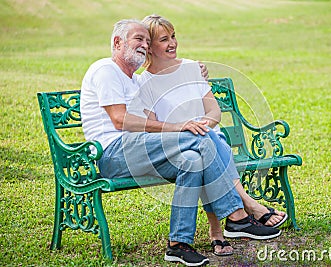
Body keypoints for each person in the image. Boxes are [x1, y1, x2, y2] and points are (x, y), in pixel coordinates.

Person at [80, 19, 281, 267]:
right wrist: (178, 127)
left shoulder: (133, 79)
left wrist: (190, 72)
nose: (143, 45)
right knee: (199, 134)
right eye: (138, 40)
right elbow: (119, 120)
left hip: (140, 152)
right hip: (114, 154)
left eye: (146, 40)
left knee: (194, 160)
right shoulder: (105, 70)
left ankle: (178, 244)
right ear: (117, 42)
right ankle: (238, 215)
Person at [137, 14, 289, 257]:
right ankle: (244, 209)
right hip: (177, 145)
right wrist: (187, 127)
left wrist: (203, 124)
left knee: (208, 147)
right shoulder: (144, 82)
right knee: (204, 149)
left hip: (207, 137)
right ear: (149, 48)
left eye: (173, 36)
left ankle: (222, 229)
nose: (172, 43)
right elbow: (153, 126)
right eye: (164, 39)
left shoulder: (191, 68)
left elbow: (214, 110)